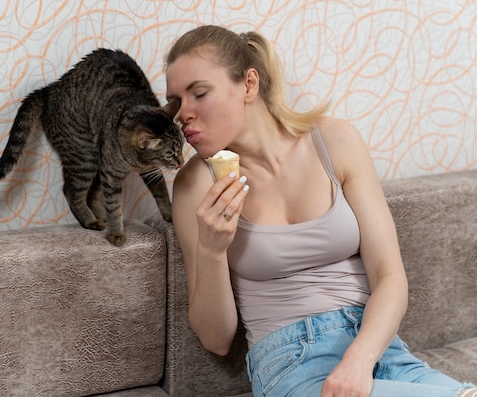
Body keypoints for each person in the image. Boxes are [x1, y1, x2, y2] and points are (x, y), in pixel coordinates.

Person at [165, 25, 476, 397]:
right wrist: (212, 250)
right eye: (175, 102)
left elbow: (390, 277)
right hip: (290, 362)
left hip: (379, 347)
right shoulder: (194, 186)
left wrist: (359, 360)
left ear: (249, 84)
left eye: (198, 93)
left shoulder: (335, 141)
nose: (182, 115)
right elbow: (216, 339)